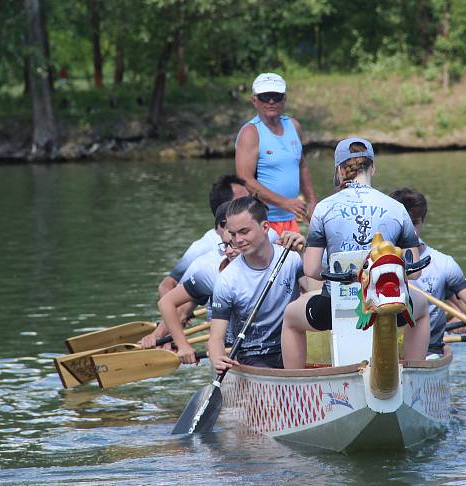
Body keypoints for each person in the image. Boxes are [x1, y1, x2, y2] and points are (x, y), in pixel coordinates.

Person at [281, 137, 430, 369]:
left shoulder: (323, 208)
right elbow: (414, 272)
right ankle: (414, 376)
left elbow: (311, 270)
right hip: (389, 306)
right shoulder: (396, 208)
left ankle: (294, 388)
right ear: (373, 167)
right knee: (422, 309)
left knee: (290, 316)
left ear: (340, 170)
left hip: (334, 306)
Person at [390, 187, 466, 356]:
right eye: (404, 224)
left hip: (429, 352)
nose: (409, 231)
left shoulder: (443, 264)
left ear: (422, 221)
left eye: (414, 223)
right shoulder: (375, 259)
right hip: (386, 350)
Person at [209, 196, 307, 372]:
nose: (237, 240)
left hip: (292, 345)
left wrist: (305, 251)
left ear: (265, 227)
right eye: (233, 234)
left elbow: (316, 295)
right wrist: (218, 360)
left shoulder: (291, 258)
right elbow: (216, 338)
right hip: (252, 356)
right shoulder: (227, 280)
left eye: (244, 231)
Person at [156, 202, 241, 364]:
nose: (229, 251)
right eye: (227, 245)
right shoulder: (208, 266)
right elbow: (171, 299)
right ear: (223, 227)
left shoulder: (275, 250)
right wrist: (172, 340)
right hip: (228, 354)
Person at [235, 72, 317, 235]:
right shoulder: (250, 132)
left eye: (276, 96)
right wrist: (284, 202)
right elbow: (245, 180)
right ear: (254, 100)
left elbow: (301, 165)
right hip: (262, 221)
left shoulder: (294, 126)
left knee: (301, 259)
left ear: (284, 99)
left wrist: (312, 201)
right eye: (265, 97)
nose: (271, 101)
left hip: (292, 218)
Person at [156, 174, 249, 300]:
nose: (252, 204)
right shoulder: (202, 248)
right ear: (226, 207)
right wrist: (178, 317)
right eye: (244, 200)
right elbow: (166, 285)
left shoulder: (258, 234)